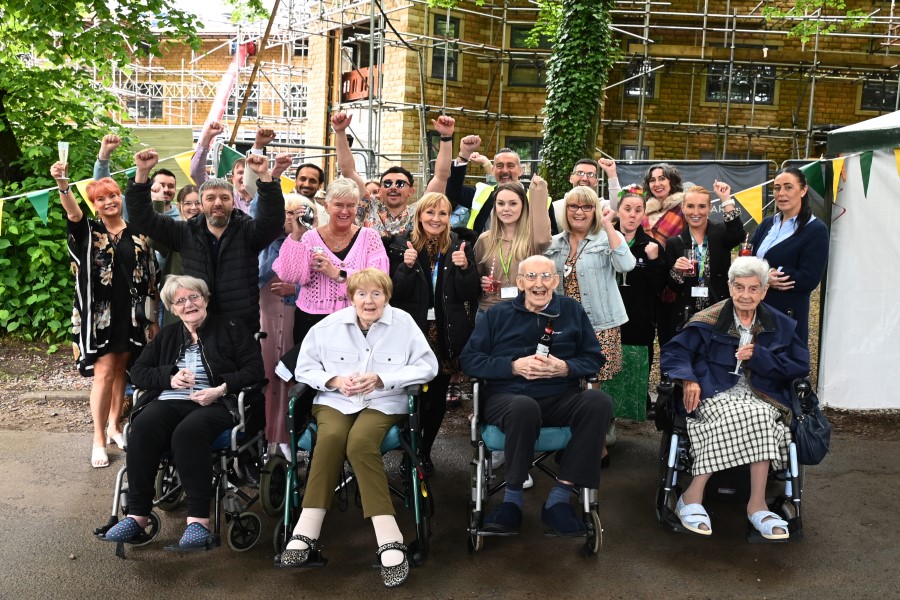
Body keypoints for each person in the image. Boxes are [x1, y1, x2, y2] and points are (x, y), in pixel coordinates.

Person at [280, 269, 438, 588]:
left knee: (360, 442)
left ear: (387, 297)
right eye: (362, 294)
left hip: (384, 401)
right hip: (335, 401)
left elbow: (428, 367)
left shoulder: (404, 324)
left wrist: (383, 379)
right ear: (350, 297)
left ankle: (389, 538)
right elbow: (305, 367)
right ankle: (306, 531)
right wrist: (335, 380)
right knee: (333, 436)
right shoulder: (329, 326)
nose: (369, 301)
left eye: (376, 294)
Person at [99, 276, 264, 549]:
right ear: (173, 308)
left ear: (205, 299)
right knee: (142, 427)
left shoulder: (231, 328)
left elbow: (254, 370)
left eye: (194, 297)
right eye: (181, 301)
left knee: (189, 432)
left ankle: (199, 522)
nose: (189, 304)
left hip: (214, 403)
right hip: (170, 400)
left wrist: (220, 389)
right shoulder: (169, 335)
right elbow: (138, 372)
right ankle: (137, 516)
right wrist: (169, 377)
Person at [460, 255, 613, 536]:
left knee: (598, 401)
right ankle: (512, 500)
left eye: (546, 277)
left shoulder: (571, 310)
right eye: (531, 277)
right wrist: (512, 366)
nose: (539, 284)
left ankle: (559, 498)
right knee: (523, 406)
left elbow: (594, 358)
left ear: (556, 281)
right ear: (519, 282)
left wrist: (566, 368)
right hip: (508, 397)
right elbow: (469, 360)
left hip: (559, 397)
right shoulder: (497, 315)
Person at [659, 256, 809, 540]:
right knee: (750, 417)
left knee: (763, 415)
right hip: (713, 390)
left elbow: (800, 366)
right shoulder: (709, 319)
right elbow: (674, 353)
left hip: (761, 394)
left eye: (753, 289)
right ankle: (698, 497)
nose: (745, 295)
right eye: (739, 287)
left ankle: (753, 504)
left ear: (764, 291)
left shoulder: (781, 324)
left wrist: (760, 356)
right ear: (729, 287)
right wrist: (688, 379)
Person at [52, 161, 159, 469]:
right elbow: (73, 212)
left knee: (121, 370)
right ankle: (98, 438)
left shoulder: (139, 233)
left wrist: (151, 319)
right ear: (94, 204)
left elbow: (151, 275)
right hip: (98, 316)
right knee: (104, 372)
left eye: (113, 195)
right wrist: (63, 185)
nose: (109, 201)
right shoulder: (88, 230)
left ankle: (114, 425)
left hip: (132, 314)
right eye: (101, 198)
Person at [125, 149, 284, 333]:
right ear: (201, 204)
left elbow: (273, 221)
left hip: (242, 330)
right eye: (210, 198)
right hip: (197, 328)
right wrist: (142, 173)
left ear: (233, 203)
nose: (218, 203)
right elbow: (143, 219)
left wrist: (264, 175)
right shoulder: (184, 232)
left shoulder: (249, 232)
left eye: (225, 198)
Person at [385, 192, 480, 473]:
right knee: (412, 395)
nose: (436, 219)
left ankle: (425, 452)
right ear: (419, 215)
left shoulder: (460, 245)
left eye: (442, 214)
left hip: (445, 331)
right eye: (430, 213)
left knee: (437, 398)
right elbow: (393, 291)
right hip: (412, 332)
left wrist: (465, 269)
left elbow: (468, 292)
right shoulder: (402, 244)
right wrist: (406, 266)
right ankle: (409, 451)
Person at [545, 186, 634, 461]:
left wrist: (609, 226)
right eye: (573, 206)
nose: (579, 212)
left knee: (593, 386)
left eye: (586, 207)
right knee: (568, 381)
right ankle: (572, 439)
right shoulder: (555, 242)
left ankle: (595, 445)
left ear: (595, 210)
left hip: (600, 323)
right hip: (564, 325)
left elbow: (627, 264)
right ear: (565, 211)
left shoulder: (606, 238)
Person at [273, 178, 389, 346]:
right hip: (312, 320)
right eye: (338, 205)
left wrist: (337, 273)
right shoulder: (309, 237)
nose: (345, 211)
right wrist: (296, 236)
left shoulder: (369, 237)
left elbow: (380, 281)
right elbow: (291, 275)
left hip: (358, 319)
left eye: (351, 205)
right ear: (326, 207)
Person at [749, 167, 829, 344]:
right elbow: (748, 259)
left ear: (803, 190)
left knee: (782, 363)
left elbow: (809, 278)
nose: (781, 193)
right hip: (755, 308)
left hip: (787, 312)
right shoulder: (768, 223)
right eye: (777, 188)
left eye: (788, 187)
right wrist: (765, 276)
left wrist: (767, 274)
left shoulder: (816, 230)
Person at [259, 194, 312, 455]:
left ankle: (287, 436)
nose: (293, 218)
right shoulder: (266, 241)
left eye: (298, 213)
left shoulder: (315, 241)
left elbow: (321, 283)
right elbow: (258, 275)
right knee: (267, 375)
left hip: (297, 314)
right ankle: (266, 437)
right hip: (266, 312)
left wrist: (296, 287)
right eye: (288, 213)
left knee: (292, 376)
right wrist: (283, 244)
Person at [665, 184, 745, 337]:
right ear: (683, 208)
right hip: (687, 313)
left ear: (709, 208)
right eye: (690, 206)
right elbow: (673, 287)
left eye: (702, 206)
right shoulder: (674, 242)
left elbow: (737, 235)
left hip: (717, 309)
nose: (696, 212)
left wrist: (726, 199)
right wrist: (677, 271)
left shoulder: (720, 234)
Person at [614, 185, 667, 410]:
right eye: (627, 209)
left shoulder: (651, 246)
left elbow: (659, 287)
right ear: (618, 211)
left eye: (638, 210)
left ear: (643, 214)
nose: (632, 215)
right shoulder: (605, 240)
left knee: (635, 358)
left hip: (639, 316)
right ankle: (609, 411)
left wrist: (654, 261)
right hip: (609, 315)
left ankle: (636, 403)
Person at [330, 111, 424, 237]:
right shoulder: (369, 206)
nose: (393, 187)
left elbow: (441, 178)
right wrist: (340, 132)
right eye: (387, 183)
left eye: (400, 184)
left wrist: (446, 138)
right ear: (380, 190)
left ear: (411, 191)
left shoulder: (419, 212)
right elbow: (348, 171)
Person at [474, 175, 551, 321]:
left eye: (513, 204)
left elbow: (543, 237)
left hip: (524, 312)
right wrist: (482, 281)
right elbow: (474, 276)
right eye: (501, 204)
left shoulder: (532, 239)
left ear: (523, 206)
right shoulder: (485, 239)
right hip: (489, 312)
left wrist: (539, 190)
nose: (506, 209)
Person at [445, 136, 525, 233]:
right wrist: (464, 154)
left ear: (521, 171)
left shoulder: (537, 199)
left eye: (510, 166)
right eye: (499, 166)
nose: (504, 170)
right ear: (493, 170)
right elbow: (453, 191)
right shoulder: (482, 193)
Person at [153, 184, 202, 326]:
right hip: (177, 309)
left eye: (198, 202)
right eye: (188, 203)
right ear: (180, 206)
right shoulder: (175, 233)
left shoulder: (214, 234)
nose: (193, 207)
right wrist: (157, 202)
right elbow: (153, 238)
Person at [549, 158, 622, 234]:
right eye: (580, 173)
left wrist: (612, 174)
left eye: (590, 175)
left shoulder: (602, 206)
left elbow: (619, 210)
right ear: (571, 178)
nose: (584, 178)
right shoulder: (555, 207)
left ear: (596, 181)